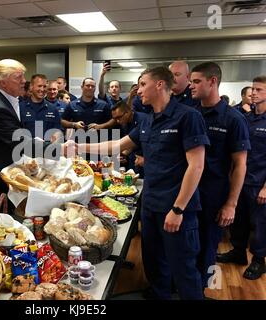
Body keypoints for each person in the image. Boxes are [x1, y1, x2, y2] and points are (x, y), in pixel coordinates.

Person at [77, 66, 209, 300]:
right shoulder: (148, 121)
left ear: (159, 85)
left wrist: (178, 209)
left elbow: (196, 166)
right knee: (154, 264)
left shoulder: (188, 116)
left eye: (143, 85)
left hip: (176, 208)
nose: (138, 91)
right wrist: (79, 148)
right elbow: (117, 145)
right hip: (150, 206)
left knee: (184, 270)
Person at [0, 59, 75, 215]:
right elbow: (20, 141)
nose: (23, 81)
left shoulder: (9, 100)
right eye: (18, 77)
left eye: (23, 77)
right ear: (2, 82)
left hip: (6, 171)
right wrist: (59, 149)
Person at [189, 62, 250, 289]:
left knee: (207, 247)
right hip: (188, 192)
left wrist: (231, 204)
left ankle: (200, 291)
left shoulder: (233, 119)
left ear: (212, 81)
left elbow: (240, 164)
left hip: (213, 194)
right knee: (186, 244)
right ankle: (185, 286)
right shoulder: (191, 114)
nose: (191, 87)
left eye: (196, 82)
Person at [217, 76, 266, 280]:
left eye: (259, 90)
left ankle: (258, 260)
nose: (253, 93)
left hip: (259, 182)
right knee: (239, 222)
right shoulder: (245, 116)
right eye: (253, 89)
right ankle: (238, 253)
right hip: (241, 180)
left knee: (260, 224)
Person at [20, 74, 62, 141]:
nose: (42, 89)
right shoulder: (20, 108)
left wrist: (56, 136)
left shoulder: (52, 109)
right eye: (39, 86)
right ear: (31, 86)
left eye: (44, 86)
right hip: (26, 149)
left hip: (47, 149)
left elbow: (58, 129)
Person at [111, 100, 146, 172]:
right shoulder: (124, 123)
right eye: (115, 119)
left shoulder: (144, 120)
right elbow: (130, 143)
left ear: (127, 112)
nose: (117, 121)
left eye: (119, 117)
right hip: (133, 161)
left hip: (146, 161)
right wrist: (123, 155)